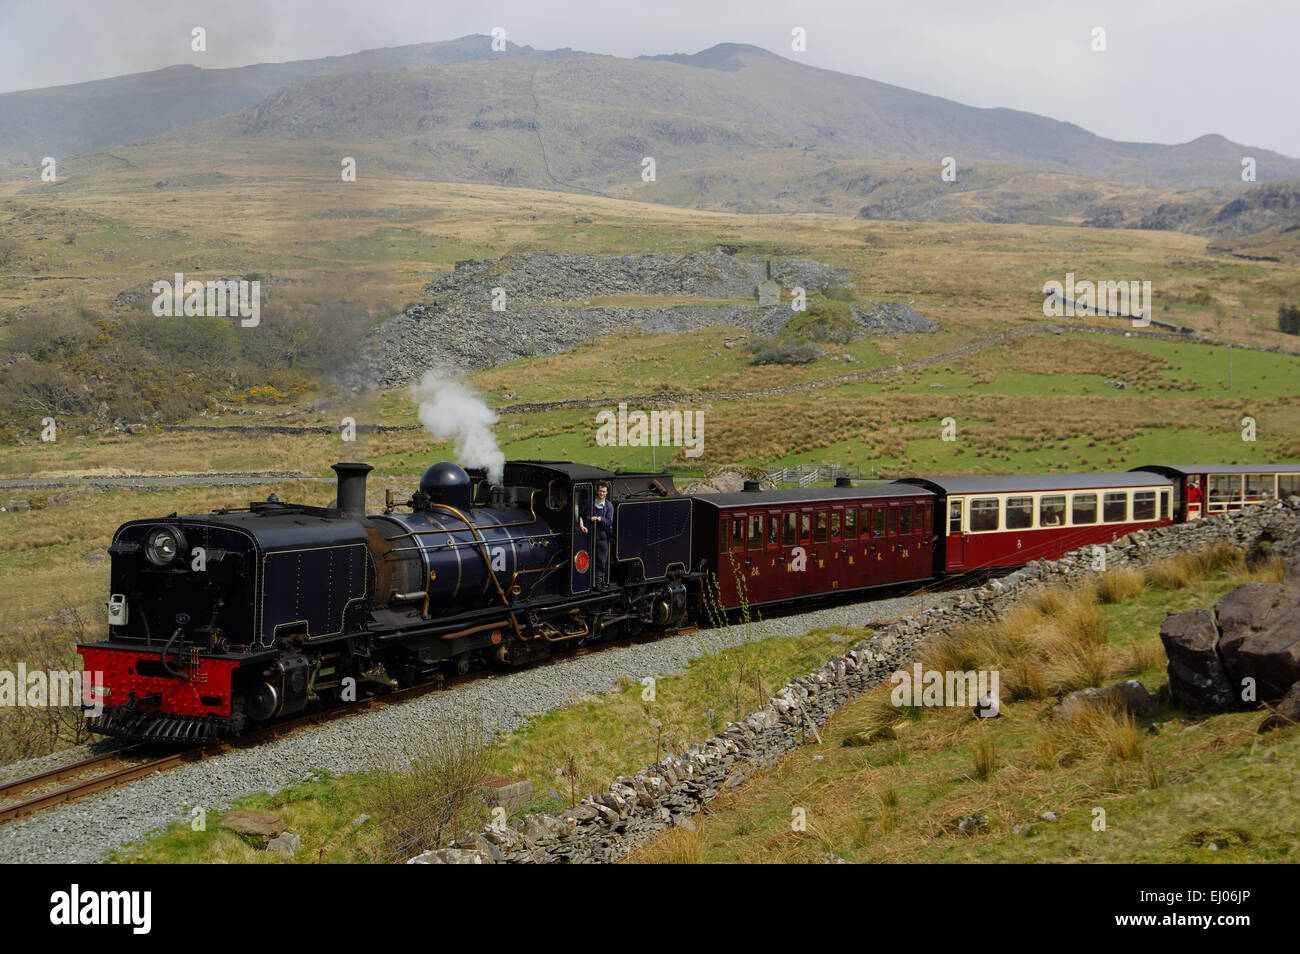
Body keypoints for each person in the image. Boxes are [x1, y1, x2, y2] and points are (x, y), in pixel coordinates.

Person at [578, 481, 615, 587]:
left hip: (602, 537)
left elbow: (609, 522)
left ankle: (598, 583)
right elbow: (581, 514)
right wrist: (581, 524)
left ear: (607, 492)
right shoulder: (589, 502)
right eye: (600, 491)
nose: (601, 493)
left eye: (603, 491)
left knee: (601, 561)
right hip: (588, 536)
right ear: (597, 491)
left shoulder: (609, 506)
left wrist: (599, 518)